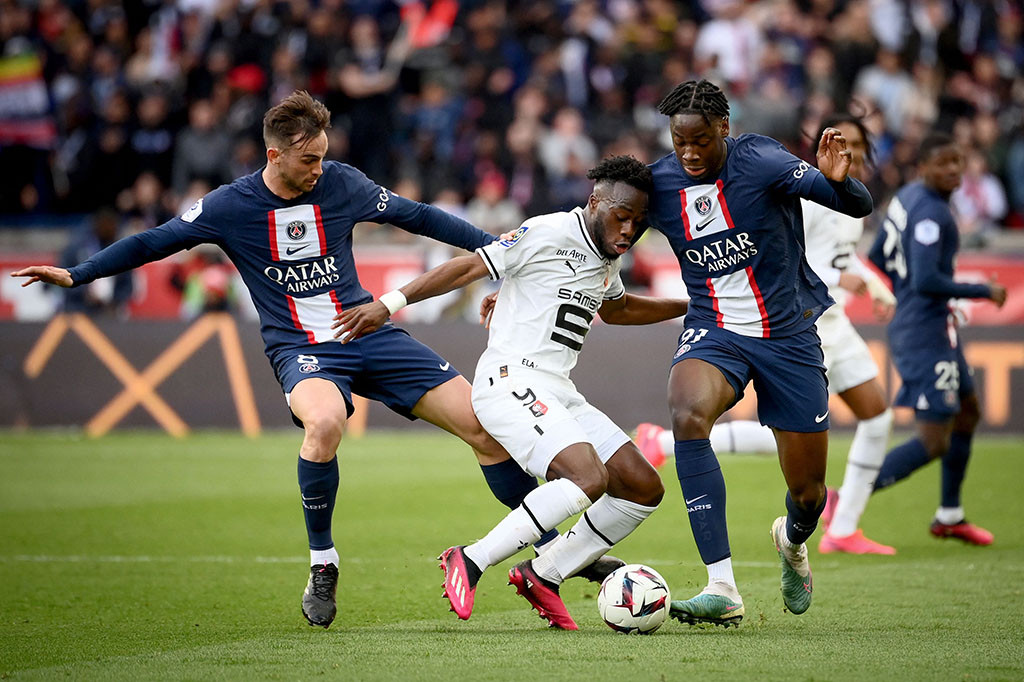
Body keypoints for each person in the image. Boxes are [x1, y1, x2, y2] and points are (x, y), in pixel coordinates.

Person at [11, 90, 603, 630]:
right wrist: (79, 273)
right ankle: (324, 562)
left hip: (369, 332)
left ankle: (554, 550)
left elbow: (419, 216)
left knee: (484, 428)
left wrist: (501, 256)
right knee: (324, 424)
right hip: (301, 347)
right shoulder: (229, 206)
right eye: (308, 160)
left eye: (323, 157)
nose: (319, 168)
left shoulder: (342, 183)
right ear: (273, 155)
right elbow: (153, 241)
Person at [333, 156, 684, 630]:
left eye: (639, 223)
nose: (628, 230)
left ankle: (545, 573)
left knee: (643, 488)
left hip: (558, 390)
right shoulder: (548, 231)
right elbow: (467, 269)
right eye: (621, 216)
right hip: (509, 379)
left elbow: (618, 310)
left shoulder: (607, 257)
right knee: (587, 477)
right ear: (595, 201)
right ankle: (471, 558)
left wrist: (692, 306)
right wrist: (389, 304)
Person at [646, 80, 872, 626]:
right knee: (686, 414)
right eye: (681, 143)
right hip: (715, 328)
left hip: (789, 336)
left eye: (700, 140)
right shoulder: (660, 182)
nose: (690, 153)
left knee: (808, 494)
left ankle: (793, 543)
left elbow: (856, 204)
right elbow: (601, 231)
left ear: (724, 128)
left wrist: (842, 185)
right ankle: (721, 585)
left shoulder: (763, 159)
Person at [867, 132, 1007, 545]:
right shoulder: (932, 213)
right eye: (943, 163)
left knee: (968, 411)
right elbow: (927, 279)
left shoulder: (907, 196)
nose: (953, 171)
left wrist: (900, 290)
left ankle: (949, 514)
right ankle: (844, 499)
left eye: (958, 163)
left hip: (932, 327)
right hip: (925, 332)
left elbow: (877, 255)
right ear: (923, 166)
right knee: (932, 441)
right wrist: (984, 291)